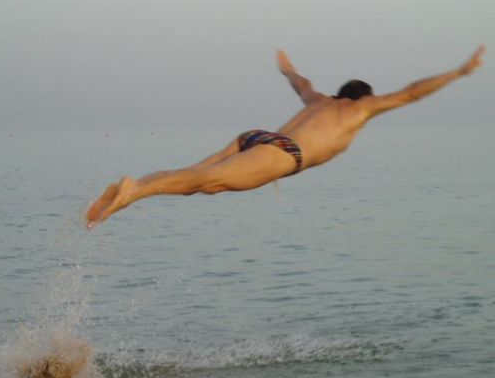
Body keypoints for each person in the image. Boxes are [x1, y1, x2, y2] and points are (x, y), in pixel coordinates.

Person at [86, 45, 485, 228]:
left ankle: (131, 191)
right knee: (207, 181)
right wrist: (459, 72)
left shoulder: (319, 100)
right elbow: (411, 93)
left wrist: (286, 66)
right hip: (283, 153)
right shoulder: (358, 109)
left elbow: (301, 82)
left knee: (194, 178)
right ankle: (135, 189)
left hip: (258, 137)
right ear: (363, 98)